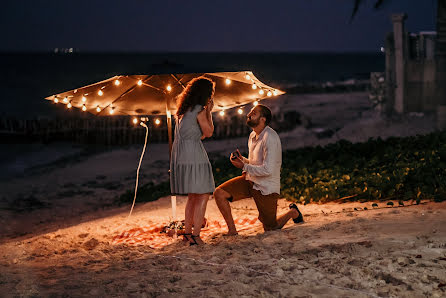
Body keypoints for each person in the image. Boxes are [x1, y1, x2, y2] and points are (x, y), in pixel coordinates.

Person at [213, 104, 304, 235]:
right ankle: (232, 230)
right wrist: (242, 160)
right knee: (219, 193)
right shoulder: (252, 136)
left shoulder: (270, 137)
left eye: (253, 113)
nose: (248, 115)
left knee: (270, 228)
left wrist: (244, 166)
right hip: (250, 180)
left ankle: (292, 212)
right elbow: (255, 163)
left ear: (263, 119)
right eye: (250, 112)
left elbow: (268, 170)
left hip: (266, 187)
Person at [170, 77, 215, 245]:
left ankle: (187, 234)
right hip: (195, 156)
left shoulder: (182, 111)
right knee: (203, 195)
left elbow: (198, 135)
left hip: (182, 157)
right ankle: (196, 236)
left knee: (192, 197)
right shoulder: (200, 110)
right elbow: (209, 133)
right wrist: (209, 112)